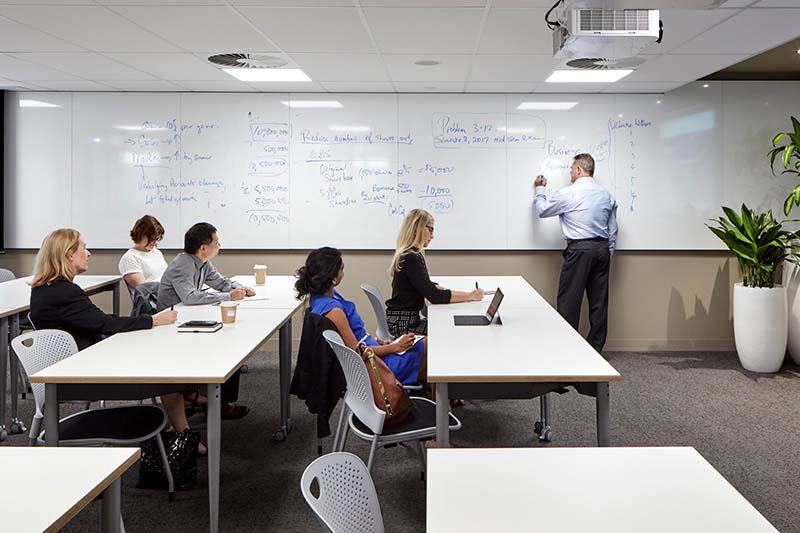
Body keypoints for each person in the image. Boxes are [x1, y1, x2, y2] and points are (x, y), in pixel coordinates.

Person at [28, 229, 204, 453]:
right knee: (165, 374)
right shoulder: (64, 292)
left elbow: (97, 323)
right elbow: (104, 324)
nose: (89, 253)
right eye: (83, 247)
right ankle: (186, 434)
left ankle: (185, 422)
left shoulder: (46, 289)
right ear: (68, 254)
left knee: (162, 368)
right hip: (77, 377)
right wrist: (152, 320)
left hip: (73, 367)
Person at [157, 222, 253, 419]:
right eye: (216, 243)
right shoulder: (183, 264)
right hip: (173, 327)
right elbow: (190, 297)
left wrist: (241, 288)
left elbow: (221, 282)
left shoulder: (202, 262)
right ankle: (218, 403)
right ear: (203, 248)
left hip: (190, 319)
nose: (219, 246)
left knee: (230, 341)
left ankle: (215, 400)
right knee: (227, 345)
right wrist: (229, 297)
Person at [296, 247, 425, 385]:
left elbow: (355, 338)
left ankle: (432, 396)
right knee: (427, 347)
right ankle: (437, 398)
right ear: (333, 279)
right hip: (373, 365)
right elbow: (356, 353)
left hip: (373, 352)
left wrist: (378, 341)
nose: (343, 273)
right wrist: (395, 347)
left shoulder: (320, 298)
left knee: (425, 347)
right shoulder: (333, 311)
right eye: (341, 269)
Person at [534, 153, 618, 353]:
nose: (570, 173)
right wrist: (608, 250)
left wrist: (540, 189)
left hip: (579, 250)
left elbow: (543, 211)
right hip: (602, 249)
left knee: (569, 301)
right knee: (599, 302)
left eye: (571, 169)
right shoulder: (606, 195)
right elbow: (613, 228)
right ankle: (595, 351)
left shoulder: (567, 193)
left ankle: (568, 350)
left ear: (579, 169)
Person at [385, 208, 484, 338]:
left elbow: (424, 286)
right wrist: (470, 296)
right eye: (430, 229)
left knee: (445, 326)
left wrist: (432, 286)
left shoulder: (411, 254)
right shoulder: (411, 257)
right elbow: (435, 297)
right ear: (417, 228)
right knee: (447, 332)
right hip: (404, 326)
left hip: (402, 320)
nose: (432, 235)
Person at [118, 215, 168, 298]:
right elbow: (145, 289)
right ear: (141, 235)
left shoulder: (156, 252)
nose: (155, 243)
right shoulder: (130, 258)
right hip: (151, 303)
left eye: (157, 239)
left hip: (165, 297)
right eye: (152, 238)